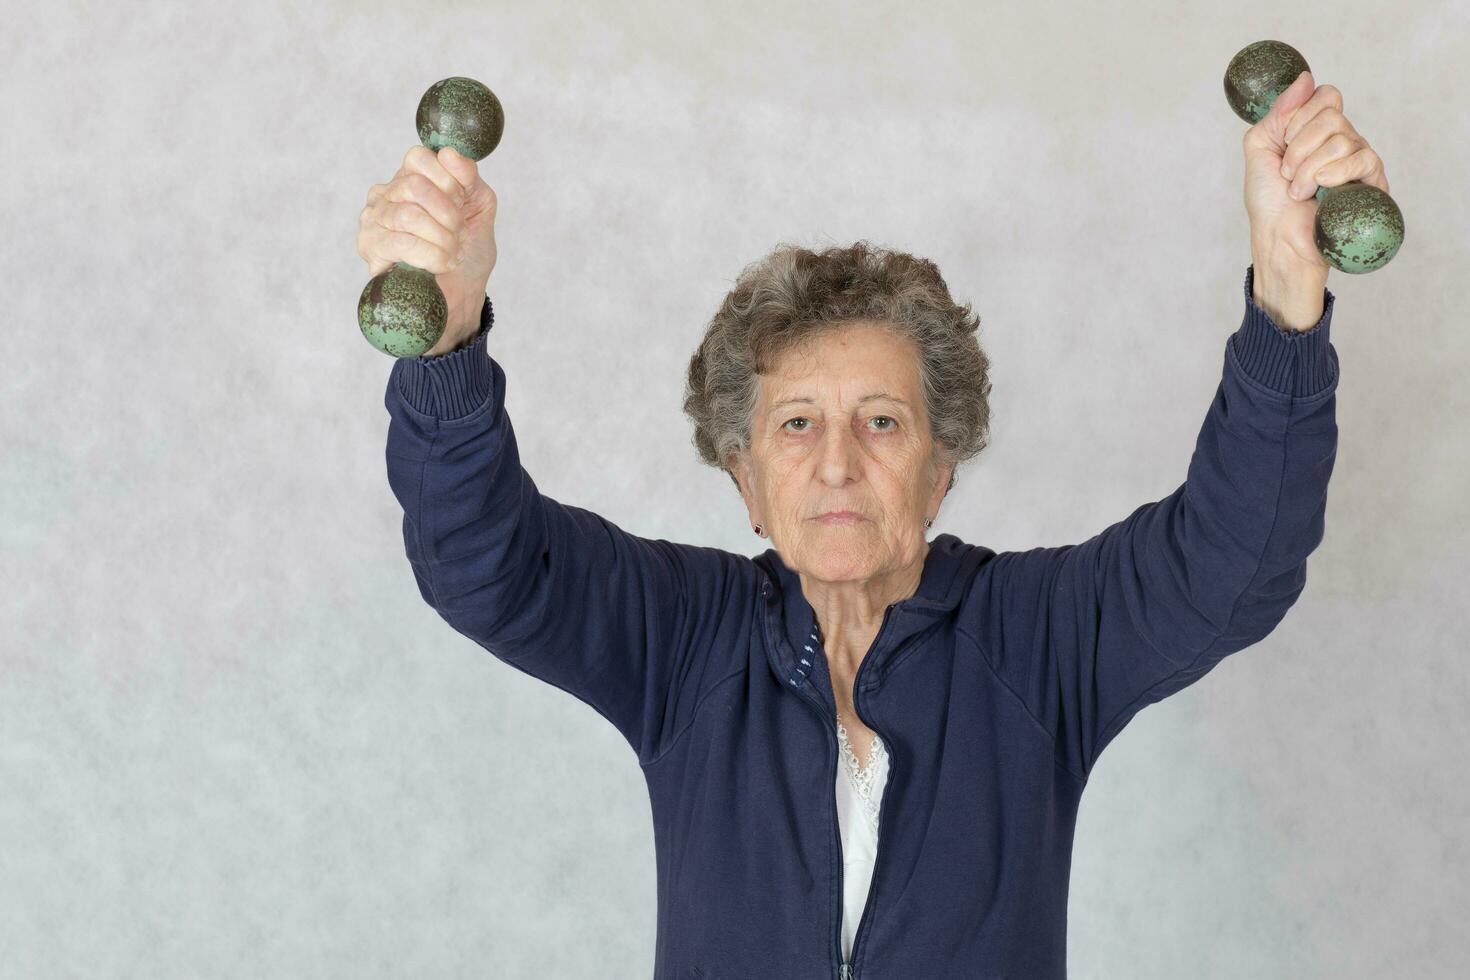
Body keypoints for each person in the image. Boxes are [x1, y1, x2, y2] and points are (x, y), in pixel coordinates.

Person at [358, 69, 1386, 979]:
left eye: (882, 422)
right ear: (744, 478)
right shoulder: (684, 640)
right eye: (795, 424)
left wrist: (1286, 295)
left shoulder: (1036, 638)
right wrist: (443, 343)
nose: (838, 462)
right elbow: (485, 567)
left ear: (941, 470)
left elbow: (1233, 560)